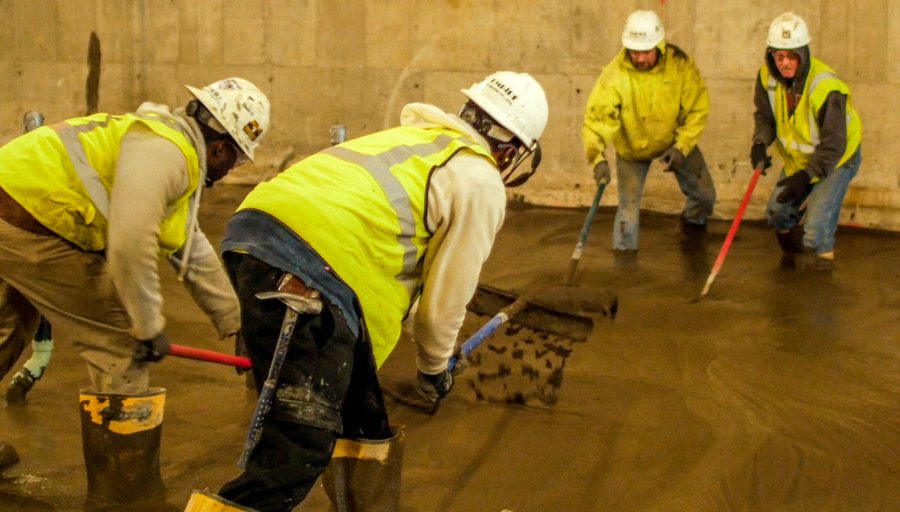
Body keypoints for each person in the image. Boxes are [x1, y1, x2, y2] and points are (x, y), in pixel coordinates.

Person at [184, 71, 549, 512]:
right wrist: (435, 370)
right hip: (311, 272)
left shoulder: (411, 137)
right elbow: (444, 300)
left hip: (257, 237)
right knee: (298, 449)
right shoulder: (479, 179)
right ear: (511, 150)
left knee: (364, 423)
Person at [0, 77, 270, 507]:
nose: (231, 170)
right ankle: (125, 495)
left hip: (15, 207)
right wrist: (145, 325)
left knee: (12, 324)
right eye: (237, 161)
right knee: (119, 343)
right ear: (220, 147)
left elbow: (187, 244)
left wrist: (234, 322)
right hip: (27, 218)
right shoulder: (166, 153)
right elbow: (130, 242)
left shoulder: (166, 141)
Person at [582, 9, 715, 259]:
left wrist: (682, 147)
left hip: (674, 143)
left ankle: (693, 226)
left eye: (647, 51)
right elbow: (597, 118)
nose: (641, 58)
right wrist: (597, 159)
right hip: (632, 149)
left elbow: (698, 108)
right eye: (635, 52)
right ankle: (624, 269)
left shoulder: (679, 65)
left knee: (705, 196)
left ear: (659, 45)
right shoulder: (614, 75)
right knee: (627, 215)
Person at [750, 12, 862, 270]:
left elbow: (834, 145)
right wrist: (759, 143)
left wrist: (806, 177)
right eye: (779, 56)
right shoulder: (766, 78)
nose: (785, 63)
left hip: (837, 159)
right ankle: (796, 263)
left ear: (803, 53)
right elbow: (765, 117)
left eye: (792, 56)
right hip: (799, 159)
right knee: (778, 213)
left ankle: (818, 281)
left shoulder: (825, 87)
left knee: (816, 231)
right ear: (771, 55)